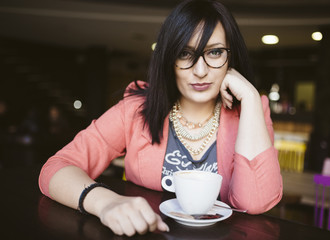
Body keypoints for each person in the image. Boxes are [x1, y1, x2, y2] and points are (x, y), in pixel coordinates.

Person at [39, 0, 283, 237]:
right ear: (169, 59)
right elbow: (56, 168)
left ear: (231, 57)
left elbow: (256, 203)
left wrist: (250, 96)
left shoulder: (251, 113)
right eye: (186, 53)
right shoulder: (135, 111)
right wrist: (105, 203)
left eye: (215, 52)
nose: (200, 70)